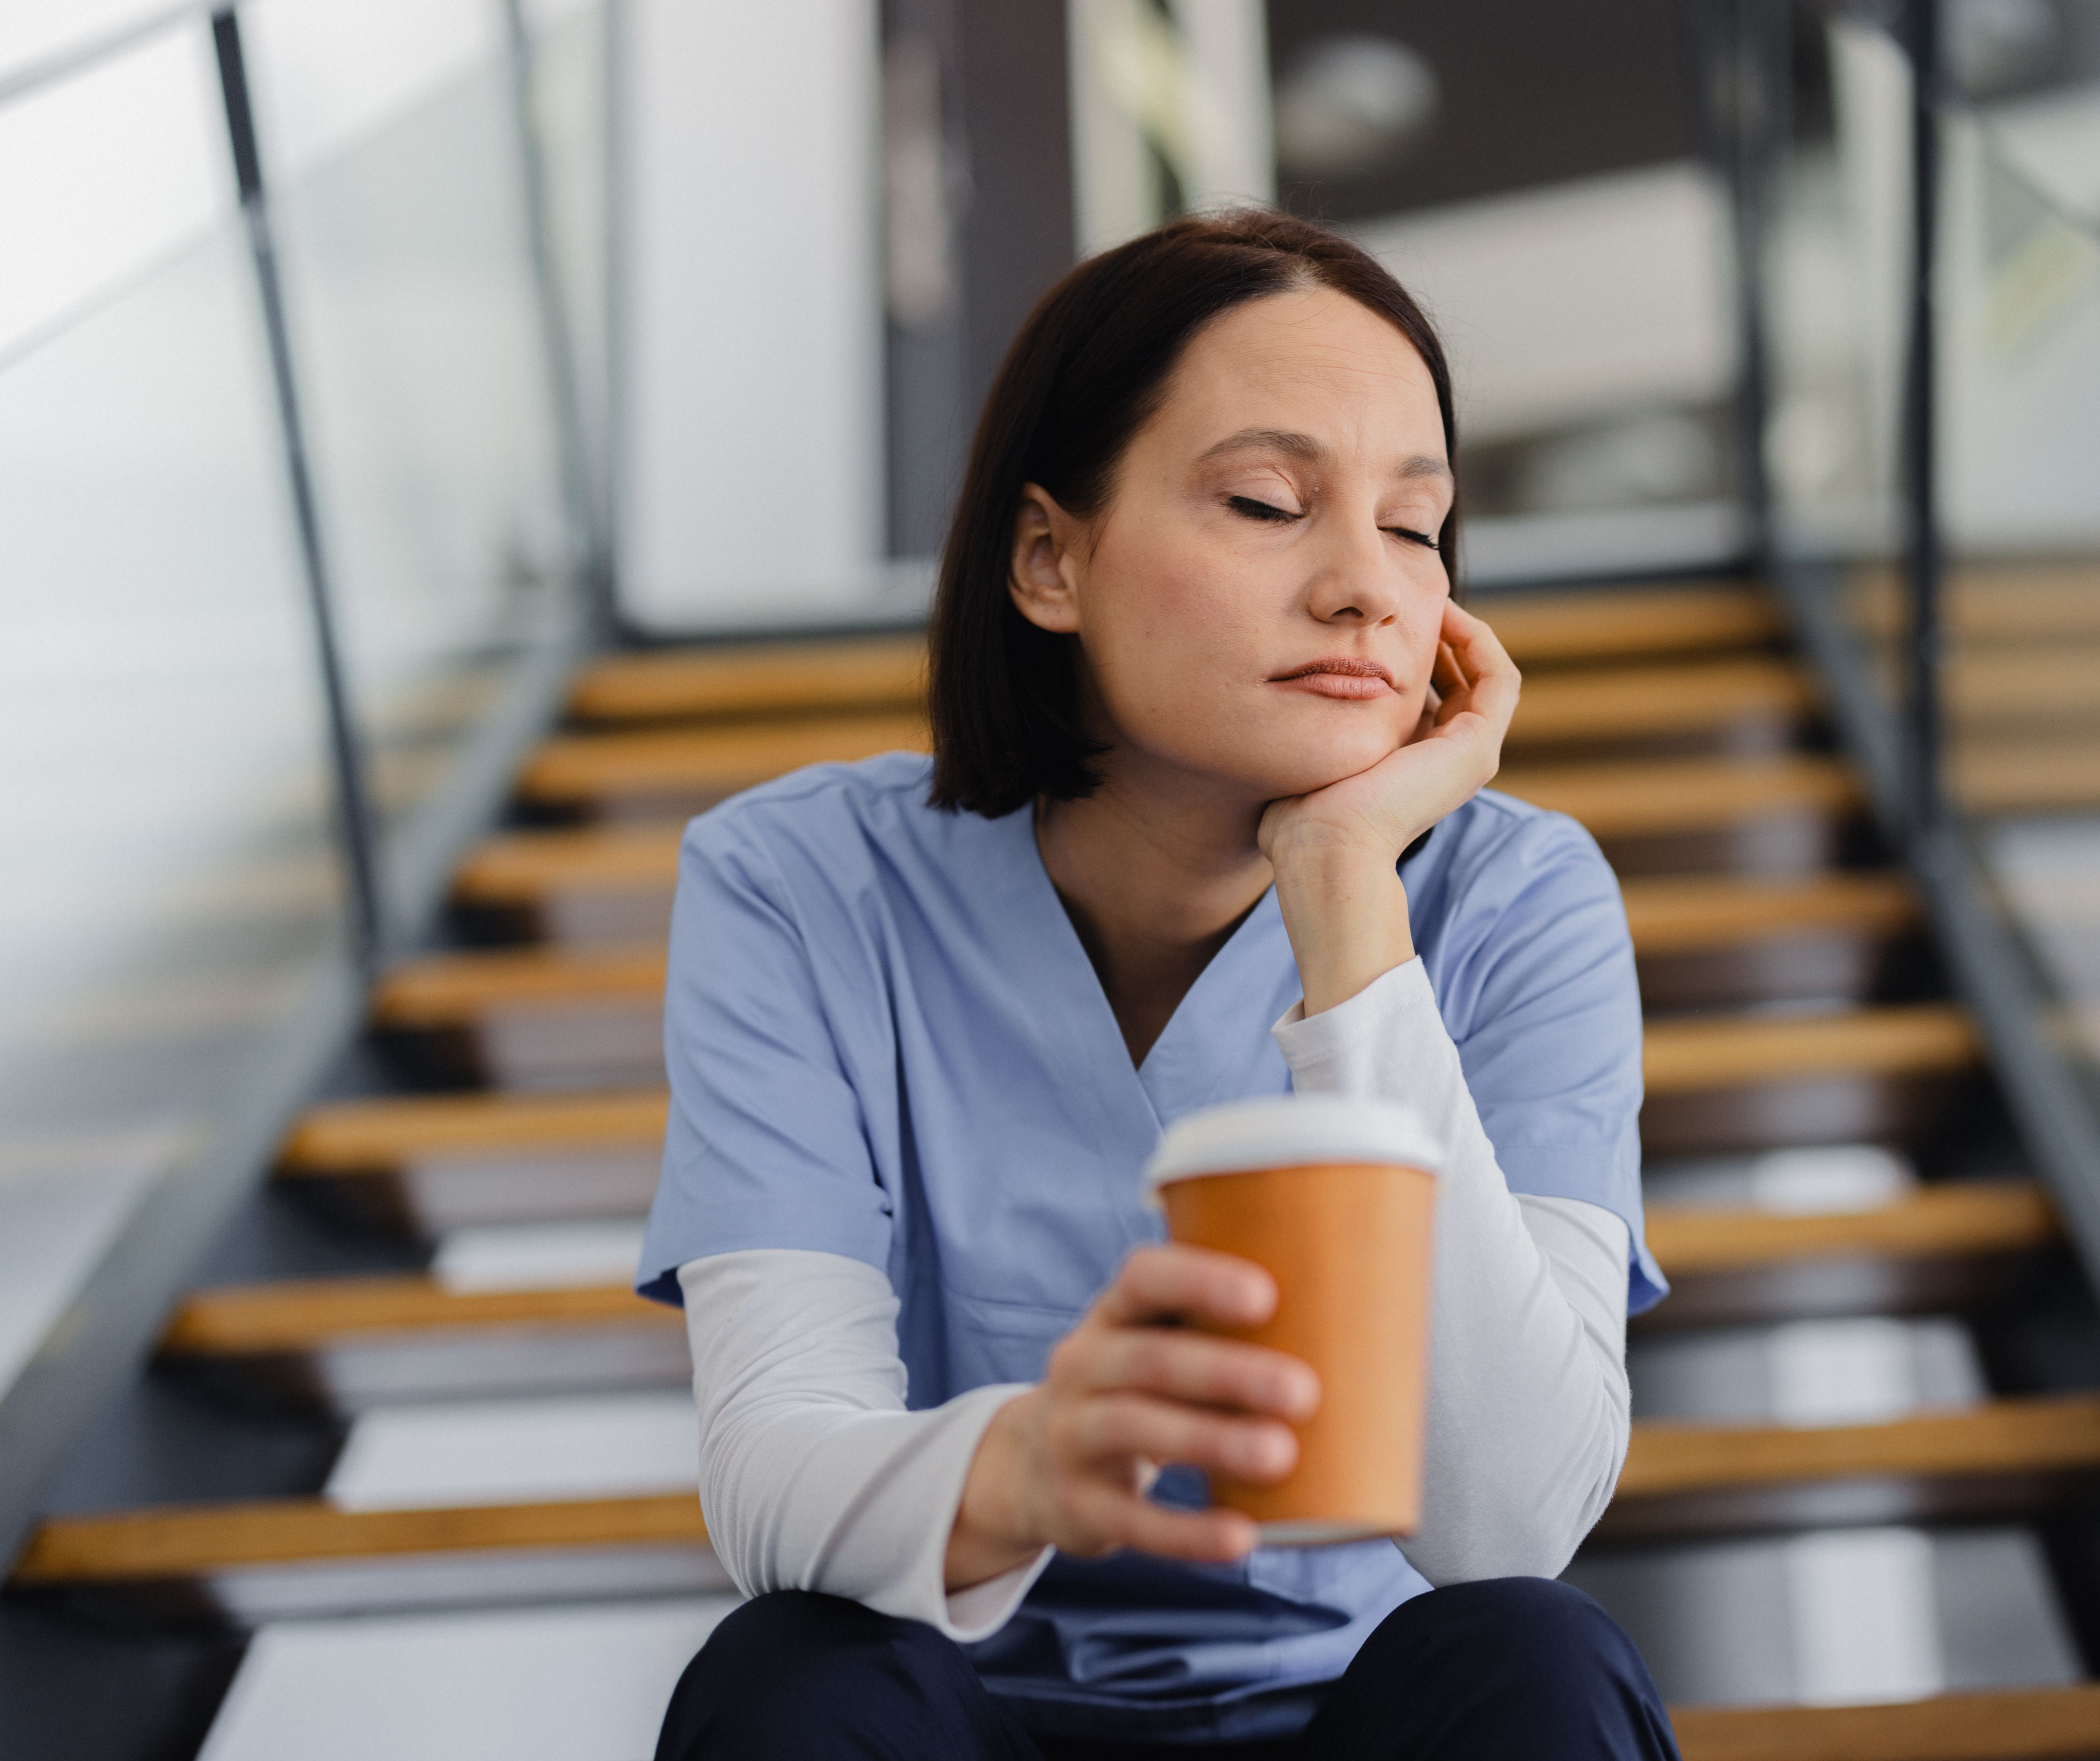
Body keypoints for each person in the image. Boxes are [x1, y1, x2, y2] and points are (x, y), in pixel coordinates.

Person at [641, 209, 1676, 1760]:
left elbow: (1515, 1518)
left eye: (1415, 525)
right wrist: (1028, 1468)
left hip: (1367, 1719)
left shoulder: (1519, 898)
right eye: (1268, 501)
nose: (1367, 591)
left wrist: (1345, 894)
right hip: (958, 1712)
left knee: (1536, 1656)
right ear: (1050, 557)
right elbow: (774, 1470)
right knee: (792, 1676)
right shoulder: (796, 888)